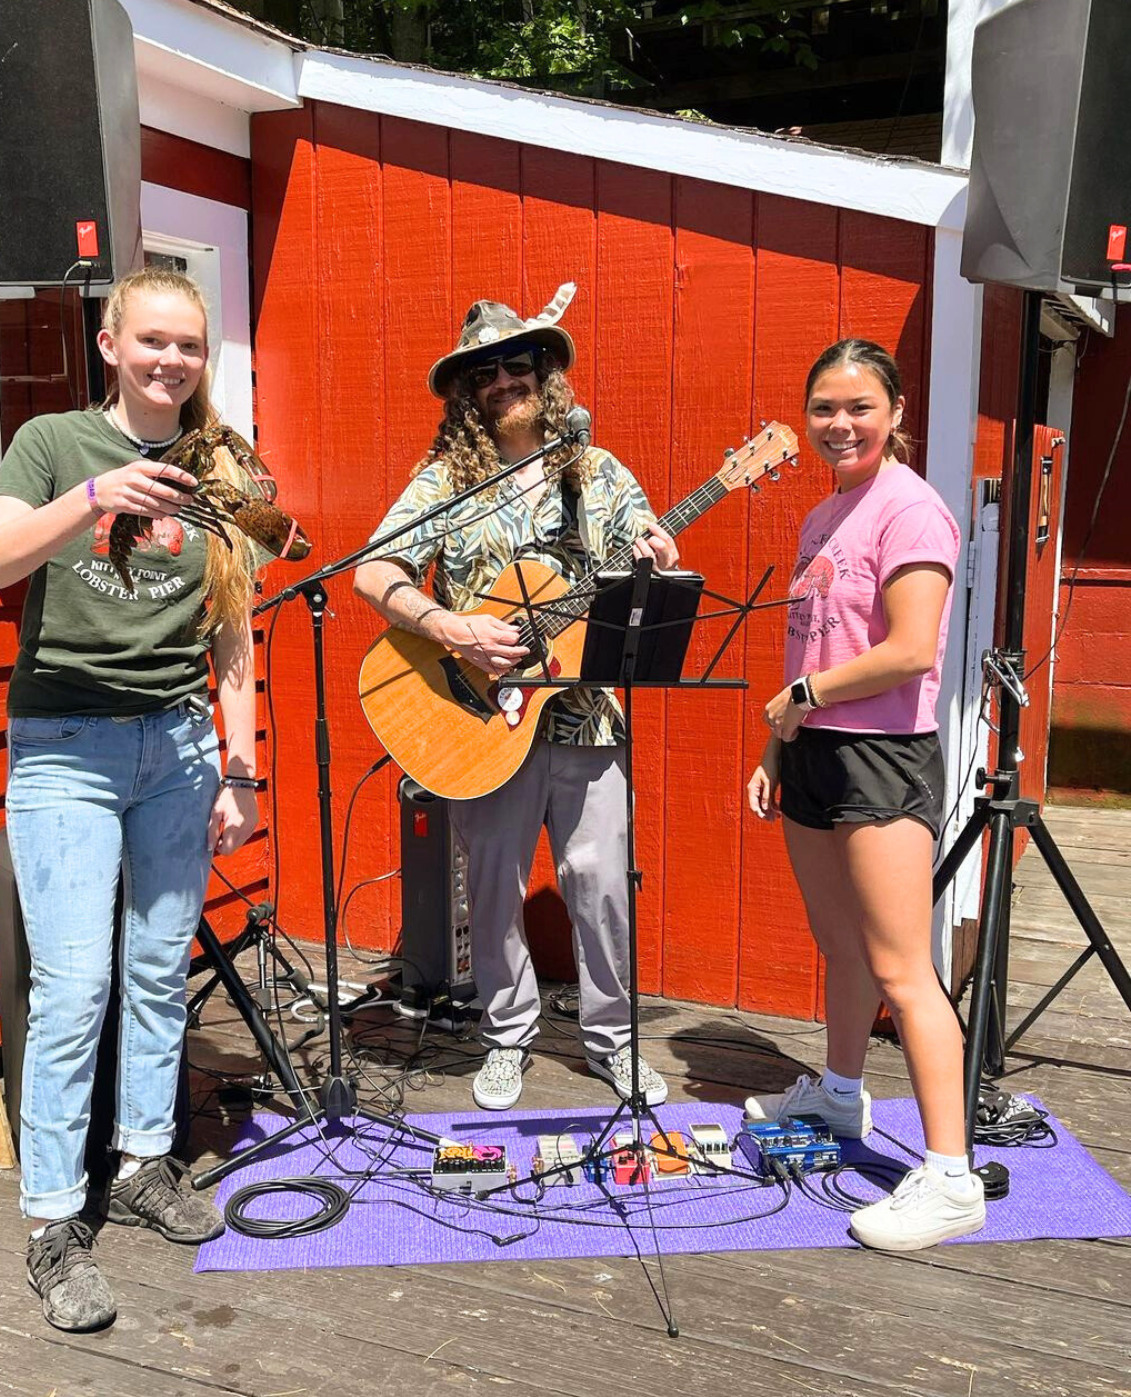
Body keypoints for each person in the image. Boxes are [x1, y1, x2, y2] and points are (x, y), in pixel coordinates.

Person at [0, 267, 263, 1331]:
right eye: (153, 342)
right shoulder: (54, 444)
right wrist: (96, 495)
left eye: (189, 345)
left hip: (179, 747)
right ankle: (53, 1218)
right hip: (65, 745)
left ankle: (143, 1162)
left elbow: (232, 631)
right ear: (111, 344)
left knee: (156, 964)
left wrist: (242, 765)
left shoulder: (222, 468)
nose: (172, 361)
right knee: (75, 979)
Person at [354, 290, 678, 1111]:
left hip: (584, 713)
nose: (502, 379)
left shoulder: (594, 472)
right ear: (467, 391)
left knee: (599, 881)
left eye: (516, 363)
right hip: (476, 722)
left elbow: (645, 560)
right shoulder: (445, 482)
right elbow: (372, 570)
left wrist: (654, 552)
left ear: (545, 371)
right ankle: (506, 1035)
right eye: (482, 371)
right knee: (493, 885)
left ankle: (613, 1041)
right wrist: (451, 628)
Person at [744, 338, 986, 1251]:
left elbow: (911, 650)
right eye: (823, 410)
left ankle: (952, 1178)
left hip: (880, 756)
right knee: (839, 947)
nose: (839, 425)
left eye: (859, 408)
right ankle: (841, 1096)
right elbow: (811, 646)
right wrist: (778, 741)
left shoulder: (911, 511)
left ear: (894, 414)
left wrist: (801, 701)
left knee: (901, 969)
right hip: (812, 753)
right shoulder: (826, 512)